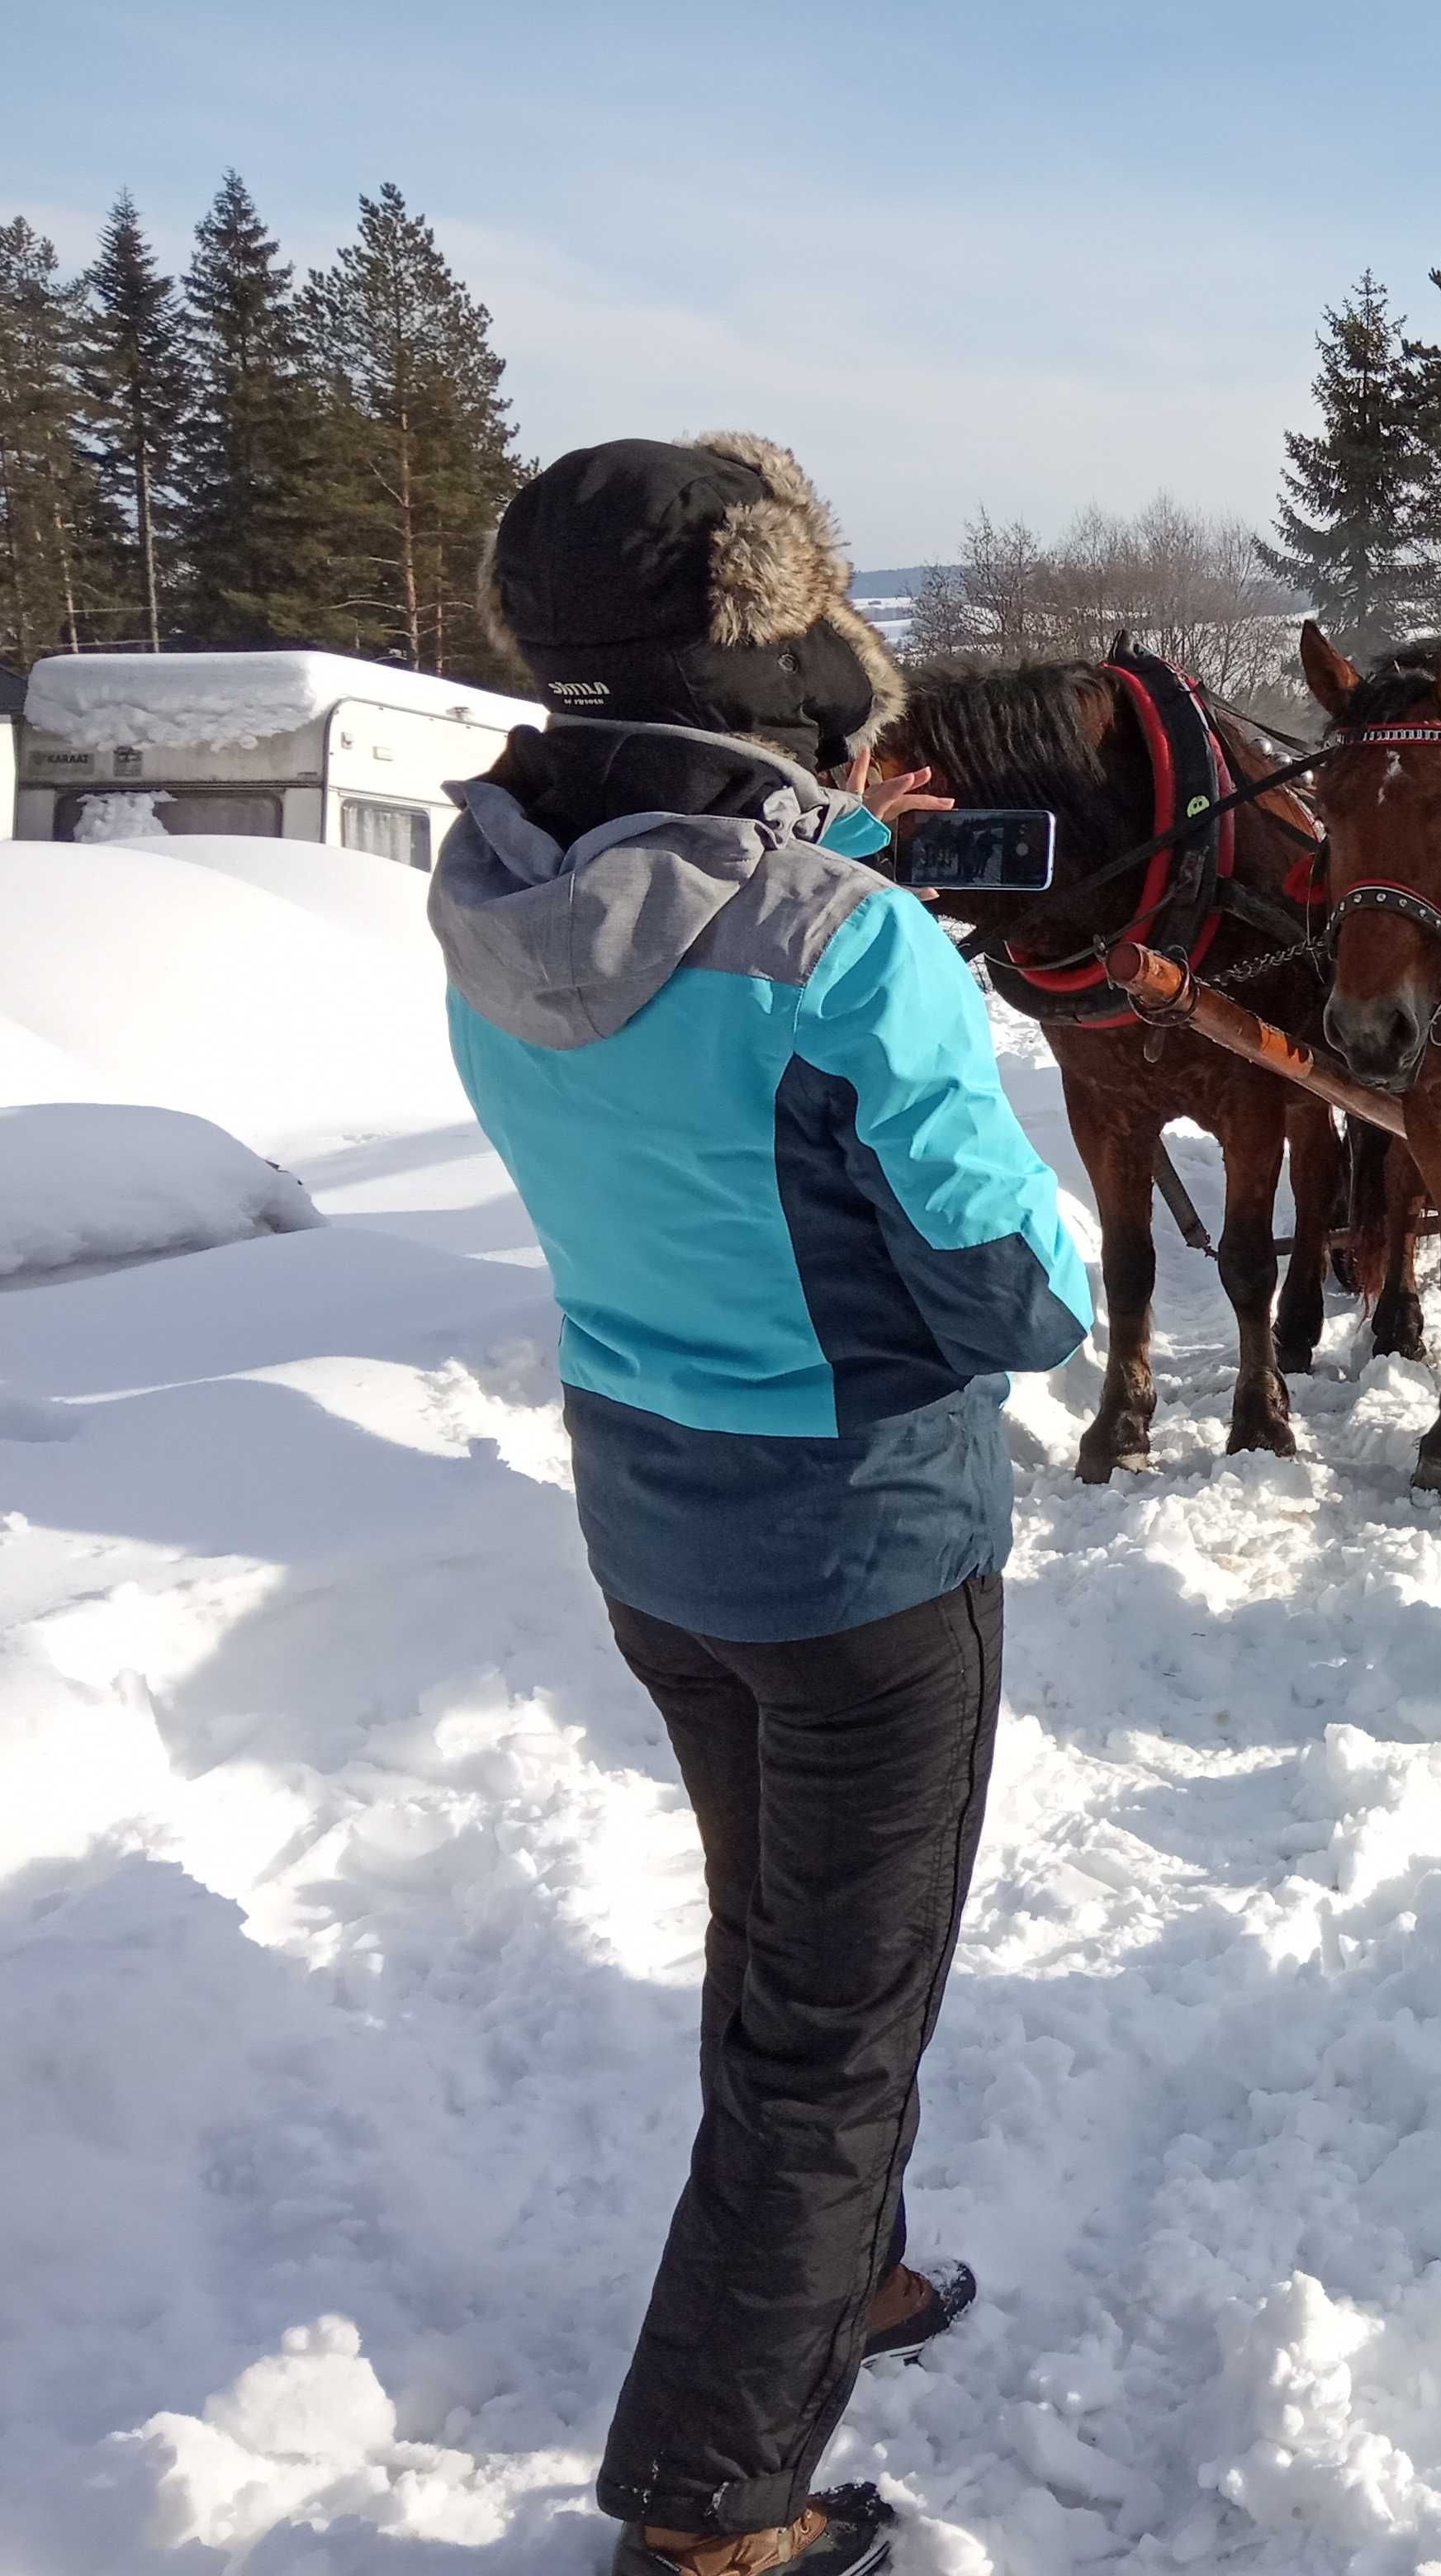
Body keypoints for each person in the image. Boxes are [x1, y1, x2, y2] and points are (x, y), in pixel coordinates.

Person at [433, 435, 1093, 2576]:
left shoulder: (494, 898)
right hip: (862, 1564)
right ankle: (716, 2510)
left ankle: (843, 2278)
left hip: (653, 1529)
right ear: (760, 648)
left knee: (780, 1940)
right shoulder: (848, 945)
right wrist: (940, 1024)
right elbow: (1017, 1298)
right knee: (836, 2029)